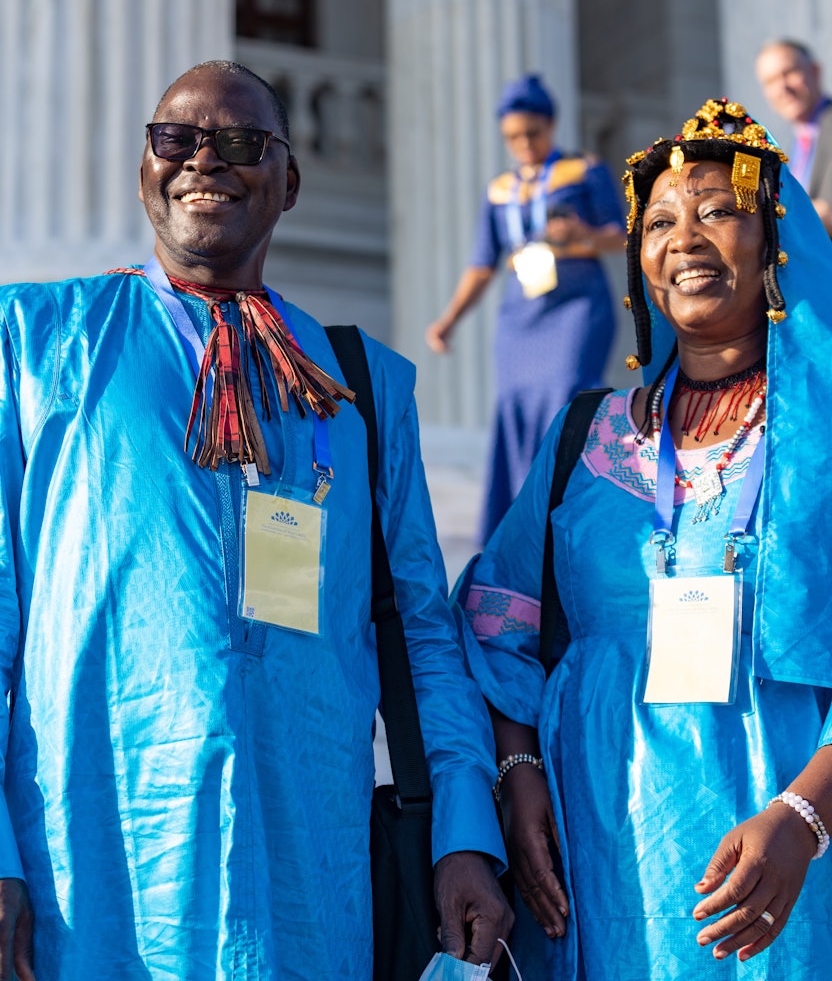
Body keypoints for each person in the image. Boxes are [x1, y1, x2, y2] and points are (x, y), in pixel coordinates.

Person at [0, 60, 512, 979]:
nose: (205, 159)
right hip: (95, 871)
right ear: (145, 165)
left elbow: (424, 635)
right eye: (176, 139)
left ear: (288, 182)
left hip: (306, 878)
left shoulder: (361, 386)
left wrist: (464, 833)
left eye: (240, 143)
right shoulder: (33, 342)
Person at [453, 97, 832, 978]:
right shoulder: (586, 436)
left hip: (790, 872)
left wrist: (802, 821)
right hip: (596, 862)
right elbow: (497, 613)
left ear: (776, 241)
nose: (685, 237)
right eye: (660, 222)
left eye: (720, 211)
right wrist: (518, 766)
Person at [426, 73, 625, 545]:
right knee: (514, 408)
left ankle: (569, 509)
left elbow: (621, 235)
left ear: (552, 126)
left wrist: (583, 235)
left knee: (566, 396)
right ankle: (519, 523)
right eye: (513, 137)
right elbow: (482, 264)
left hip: (576, 303)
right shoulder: (498, 191)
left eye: (532, 133)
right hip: (521, 313)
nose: (524, 144)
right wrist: (449, 320)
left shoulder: (583, 171)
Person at [755, 38, 832, 336]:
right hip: (823, 316)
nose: (782, 87)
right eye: (771, 81)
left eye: (789, 73)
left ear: (815, 71)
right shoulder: (784, 156)